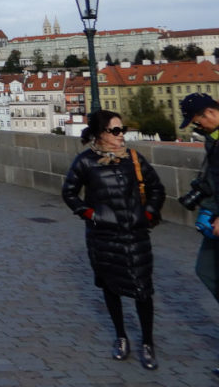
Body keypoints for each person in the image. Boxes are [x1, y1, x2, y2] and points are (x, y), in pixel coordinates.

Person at [61, 110, 164, 371]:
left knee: (143, 290)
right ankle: (121, 336)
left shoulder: (133, 158)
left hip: (135, 234)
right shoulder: (85, 162)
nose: (121, 135)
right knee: (111, 287)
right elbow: (69, 193)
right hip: (103, 236)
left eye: (122, 129)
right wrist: (91, 215)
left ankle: (148, 342)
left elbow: (156, 188)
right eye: (115, 131)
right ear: (100, 135)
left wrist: (148, 213)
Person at [177, 93, 219, 379]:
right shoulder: (213, 138)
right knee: (206, 270)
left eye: (197, 121)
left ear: (208, 113)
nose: (197, 127)